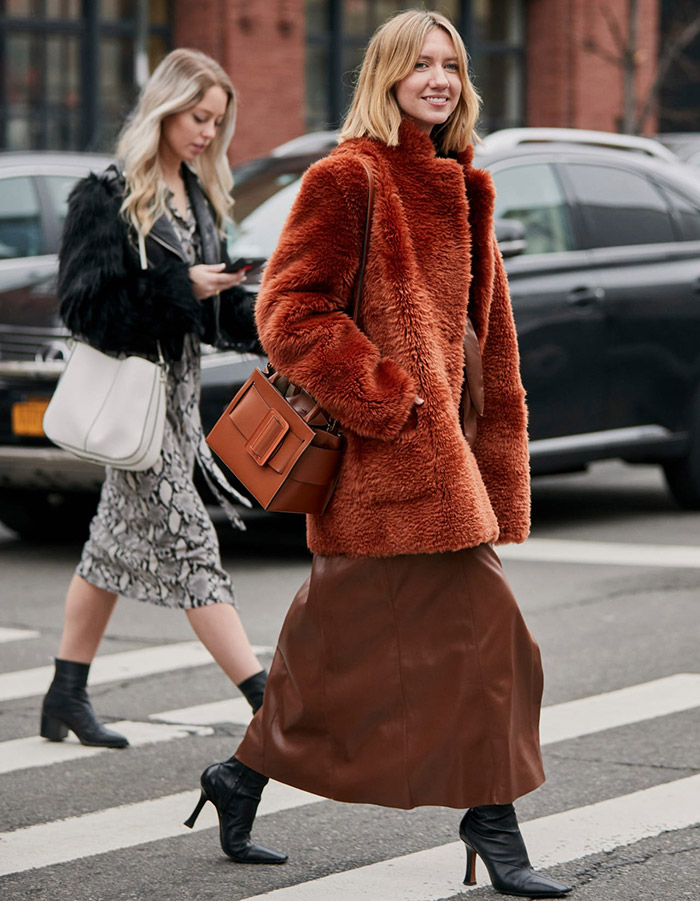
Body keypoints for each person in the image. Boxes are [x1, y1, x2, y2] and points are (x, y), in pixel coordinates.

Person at [185, 11, 573, 896]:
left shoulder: (463, 182)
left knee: (331, 654)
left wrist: (489, 435)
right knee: (496, 642)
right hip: (386, 462)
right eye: (421, 63)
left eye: (452, 65)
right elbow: (288, 311)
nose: (439, 78)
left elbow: (486, 338)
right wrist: (389, 397)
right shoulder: (348, 176)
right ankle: (493, 818)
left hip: (445, 461)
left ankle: (238, 777)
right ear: (387, 73)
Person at [40, 49, 268, 751]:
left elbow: (208, 313)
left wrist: (276, 328)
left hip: (175, 406)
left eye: (216, 121)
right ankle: (272, 707)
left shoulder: (196, 196)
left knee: (109, 550)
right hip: (136, 406)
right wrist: (179, 290)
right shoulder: (105, 196)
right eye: (198, 117)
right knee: (194, 549)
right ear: (165, 110)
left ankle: (64, 695)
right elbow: (84, 310)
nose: (207, 132)